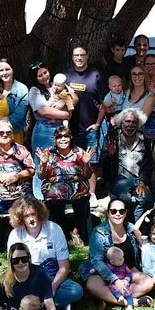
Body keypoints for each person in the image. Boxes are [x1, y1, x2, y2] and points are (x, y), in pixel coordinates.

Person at [6, 197, 84, 308]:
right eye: (26, 216)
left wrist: (52, 288)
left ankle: (32, 306)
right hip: (27, 278)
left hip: (52, 277)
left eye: (33, 214)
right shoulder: (15, 235)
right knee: (8, 288)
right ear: (20, 218)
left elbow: (64, 267)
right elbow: (13, 267)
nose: (31, 219)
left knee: (76, 291)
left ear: (39, 213)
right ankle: (47, 305)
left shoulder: (55, 229)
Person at [79, 198, 155, 309]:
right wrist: (114, 280)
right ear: (108, 213)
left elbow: (140, 250)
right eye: (113, 211)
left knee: (148, 282)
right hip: (103, 273)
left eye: (121, 211)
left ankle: (107, 298)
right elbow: (96, 261)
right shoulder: (99, 232)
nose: (118, 214)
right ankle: (132, 302)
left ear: (125, 213)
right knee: (92, 284)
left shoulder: (130, 229)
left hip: (125, 271)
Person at [35, 126, 94, 247]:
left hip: (76, 184)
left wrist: (86, 163)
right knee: (52, 198)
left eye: (66, 136)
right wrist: (43, 163)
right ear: (55, 139)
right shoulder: (48, 153)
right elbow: (41, 176)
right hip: (55, 185)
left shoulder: (79, 152)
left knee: (82, 197)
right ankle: (61, 231)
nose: (63, 139)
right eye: (59, 137)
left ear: (70, 138)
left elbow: (87, 175)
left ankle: (76, 232)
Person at [28, 61, 75, 199]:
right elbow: (44, 111)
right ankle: (40, 196)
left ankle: (59, 194)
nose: (44, 76)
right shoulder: (34, 91)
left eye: (45, 72)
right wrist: (66, 114)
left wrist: (63, 102)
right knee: (43, 162)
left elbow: (75, 97)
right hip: (44, 129)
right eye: (39, 75)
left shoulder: (58, 84)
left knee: (61, 161)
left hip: (61, 129)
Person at [65, 43, 104, 205]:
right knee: (71, 161)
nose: (79, 58)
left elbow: (103, 102)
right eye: (76, 56)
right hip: (71, 127)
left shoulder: (95, 74)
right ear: (72, 57)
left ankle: (92, 193)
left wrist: (97, 123)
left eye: (82, 55)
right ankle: (73, 190)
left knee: (92, 161)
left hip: (90, 126)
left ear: (87, 56)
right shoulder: (66, 75)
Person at [101, 107, 154, 221]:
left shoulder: (144, 139)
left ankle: (133, 226)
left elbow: (148, 164)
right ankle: (130, 224)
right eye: (127, 121)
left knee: (146, 198)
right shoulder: (112, 137)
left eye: (134, 122)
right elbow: (102, 163)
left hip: (138, 179)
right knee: (128, 198)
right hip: (119, 179)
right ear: (121, 122)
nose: (130, 125)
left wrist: (143, 182)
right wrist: (109, 155)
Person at [0, 58, 29, 144]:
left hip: (15, 133)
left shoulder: (22, 89)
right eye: (1, 70)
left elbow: (20, 114)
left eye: (7, 69)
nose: (4, 73)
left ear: (13, 70)